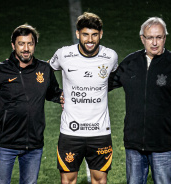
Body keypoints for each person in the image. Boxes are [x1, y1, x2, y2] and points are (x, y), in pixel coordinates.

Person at [108, 17, 171, 184]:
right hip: (134, 145)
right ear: (142, 39)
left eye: (159, 37)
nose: (155, 42)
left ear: (165, 38)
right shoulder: (131, 62)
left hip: (163, 145)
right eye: (150, 37)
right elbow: (103, 86)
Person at [0, 24, 63, 184]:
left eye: (30, 43)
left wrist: (63, 97)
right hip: (3, 145)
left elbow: (52, 93)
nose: (26, 48)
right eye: (21, 43)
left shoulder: (44, 69)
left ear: (35, 45)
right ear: (13, 45)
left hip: (33, 145)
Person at [49, 12, 118, 184]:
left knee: (100, 180)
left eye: (94, 35)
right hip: (70, 132)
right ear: (77, 34)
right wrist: (55, 94)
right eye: (85, 34)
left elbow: (116, 78)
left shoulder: (110, 56)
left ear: (100, 34)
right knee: (68, 181)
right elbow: (43, 70)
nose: (90, 39)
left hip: (100, 132)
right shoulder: (64, 54)